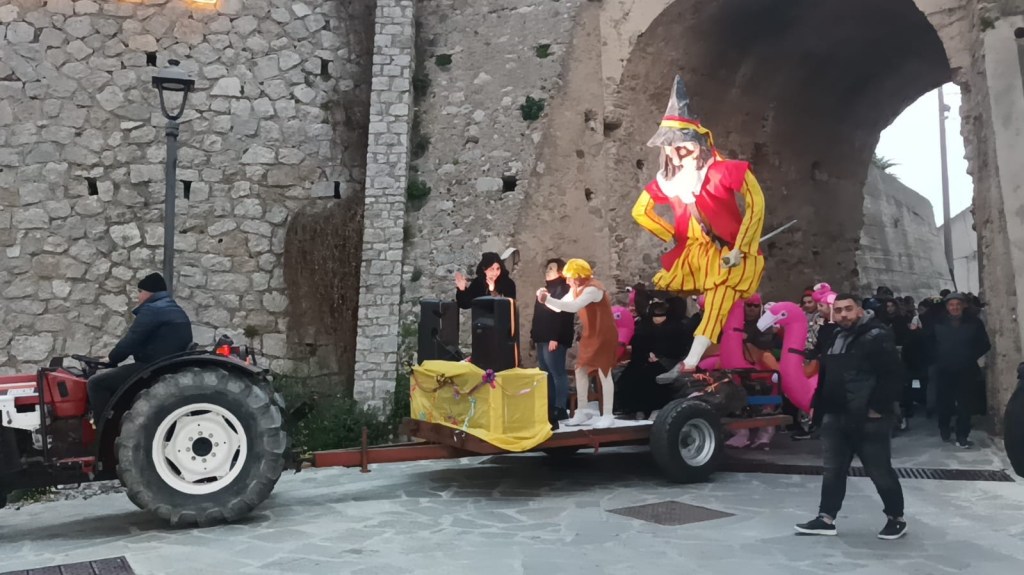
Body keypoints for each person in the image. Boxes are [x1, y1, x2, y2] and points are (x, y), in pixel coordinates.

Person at [632, 74, 766, 373]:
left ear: (697, 144)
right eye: (670, 148)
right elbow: (639, 212)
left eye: (681, 146)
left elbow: (756, 203)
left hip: (727, 251)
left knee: (718, 298)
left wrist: (742, 247)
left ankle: (690, 361)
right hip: (695, 252)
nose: (675, 153)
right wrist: (674, 236)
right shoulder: (668, 181)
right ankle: (675, 354)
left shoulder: (724, 170)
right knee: (676, 295)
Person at [795, 294, 907, 540]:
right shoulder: (833, 336)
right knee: (832, 470)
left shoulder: (878, 336)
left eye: (848, 309)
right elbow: (826, 375)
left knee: (879, 470)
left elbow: (893, 375)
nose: (843, 314)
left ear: (859, 311)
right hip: (835, 414)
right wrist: (818, 407)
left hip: (868, 418)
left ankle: (896, 518)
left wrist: (876, 409)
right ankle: (826, 518)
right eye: (838, 310)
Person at [88, 273, 193, 418]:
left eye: (140, 291)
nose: (138, 296)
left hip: (153, 367)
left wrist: (111, 359)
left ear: (149, 292)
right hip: (165, 364)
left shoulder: (153, 310)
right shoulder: (173, 308)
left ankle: (101, 427)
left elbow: (131, 340)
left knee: (96, 383)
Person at [537, 259, 619, 428]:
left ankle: (608, 414)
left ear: (579, 276)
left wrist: (547, 299)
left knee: (604, 373)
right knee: (580, 370)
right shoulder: (576, 289)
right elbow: (560, 307)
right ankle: (582, 411)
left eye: (570, 277)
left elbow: (573, 307)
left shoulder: (593, 289)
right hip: (590, 335)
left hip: (603, 334)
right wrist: (545, 298)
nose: (567, 281)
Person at [927, 292, 991, 447]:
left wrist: (970, 355)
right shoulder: (937, 322)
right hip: (944, 369)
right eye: (951, 305)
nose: (954, 308)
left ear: (963, 306)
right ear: (947, 307)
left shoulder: (974, 323)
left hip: (966, 369)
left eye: (957, 304)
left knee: (965, 405)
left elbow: (984, 344)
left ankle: (962, 435)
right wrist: (937, 357)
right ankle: (944, 428)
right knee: (944, 402)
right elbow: (928, 342)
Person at [614, 301, 686, 418]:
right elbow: (638, 346)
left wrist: (659, 357)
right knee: (630, 375)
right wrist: (647, 355)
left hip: (668, 362)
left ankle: (653, 409)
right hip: (643, 360)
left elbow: (678, 349)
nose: (658, 319)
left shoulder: (676, 328)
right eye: (655, 315)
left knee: (652, 378)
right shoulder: (644, 327)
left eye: (661, 315)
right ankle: (634, 409)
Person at [530, 259, 575, 422]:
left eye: (551, 268)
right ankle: (549, 406)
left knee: (557, 373)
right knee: (545, 373)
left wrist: (555, 337)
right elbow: (538, 315)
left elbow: (563, 316)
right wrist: (533, 335)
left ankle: (560, 407)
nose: (547, 271)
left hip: (554, 338)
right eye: (547, 268)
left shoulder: (564, 290)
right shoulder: (544, 290)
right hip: (542, 337)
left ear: (560, 272)